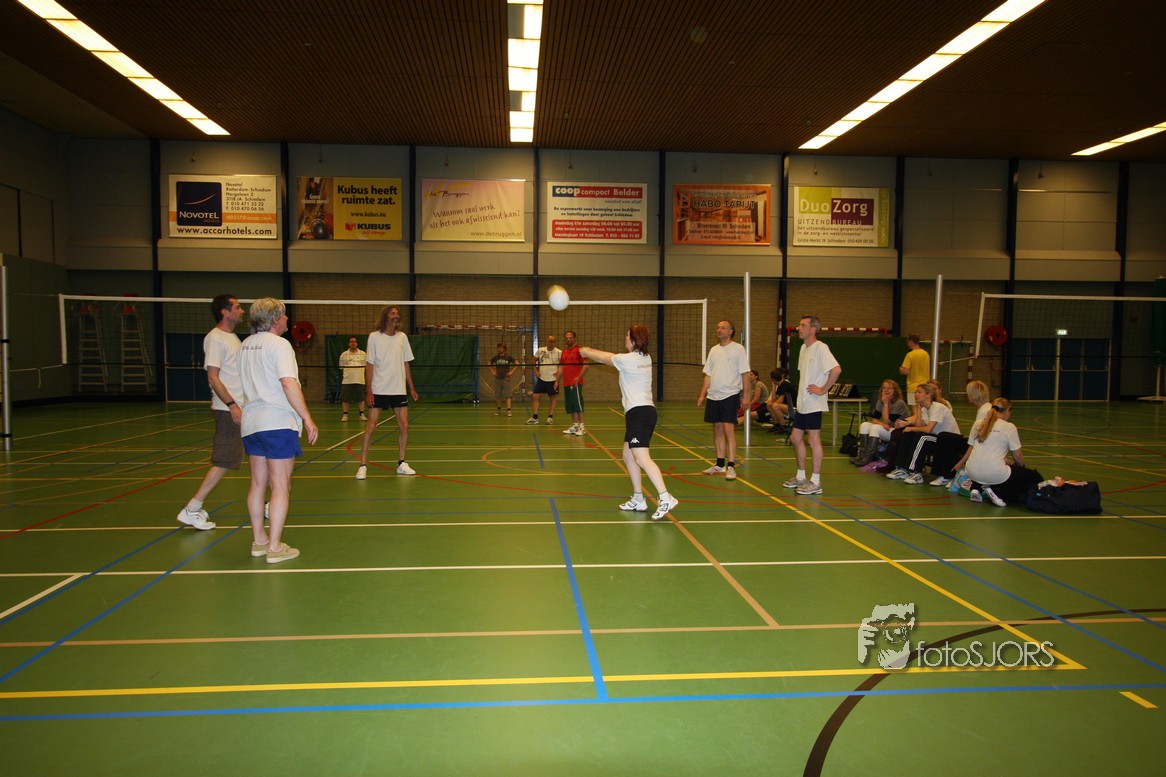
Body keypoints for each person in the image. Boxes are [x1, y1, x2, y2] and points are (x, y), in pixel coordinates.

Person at [237, 298, 318, 563]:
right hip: (277, 422)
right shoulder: (280, 345)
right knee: (281, 485)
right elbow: (288, 383)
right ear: (274, 319)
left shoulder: (245, 345)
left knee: (257, 483)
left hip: (252, 423)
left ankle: (259, 541)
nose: (287, 320)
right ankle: (274, 547)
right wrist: (307, 418)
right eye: (283, 316)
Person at [579, 326, 679, 521]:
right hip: (641, 412)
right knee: (628, 455)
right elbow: (610, 357)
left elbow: (604, 358)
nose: (625, 338)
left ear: (634, 340)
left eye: (627, 336)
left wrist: (586, 351)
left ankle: (666, 497)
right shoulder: (645, 358)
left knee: (642, 458)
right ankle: (638, 498)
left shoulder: (628, 360)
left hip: (640, 413)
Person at [176, 294, 245, 531]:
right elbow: (213, 377)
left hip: (241, 408)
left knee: (260, 453)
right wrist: (232, 404)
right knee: (224, 461)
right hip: (229, 410)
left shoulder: (232, 337)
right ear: (225, 312)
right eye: (237, 307)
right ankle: (192, 508)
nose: (242, 311)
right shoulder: (215, 338)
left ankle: (266, 503)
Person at [356, 305, 420, 479]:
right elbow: (369, 365)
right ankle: (363, 465)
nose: (396, 315)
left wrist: (411, 387)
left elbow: (406, 363)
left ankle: (401, 463)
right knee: (371, 426)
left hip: (398, 388)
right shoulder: (374, 337)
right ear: (385, 316)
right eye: (392, 313)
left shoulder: (402, 337)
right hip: (379, 388)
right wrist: (369, 390)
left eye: (397, 313)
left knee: (404, 426)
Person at [783, 316, 842, 495]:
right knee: (795, 438)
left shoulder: (821, 348)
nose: (798, 328)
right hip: (803, 403)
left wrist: (823, 389)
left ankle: (816, 482)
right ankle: (801, 476)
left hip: (814, 403)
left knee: (813, 439)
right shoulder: (803, 348)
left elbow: (836, 370)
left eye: (803, 325)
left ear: (813, 329)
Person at [951, 397, 1043, 506]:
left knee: (988, 469)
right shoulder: (1009, 427)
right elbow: (1018, 456)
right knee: (1033, 477)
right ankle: (996, 492)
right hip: (993, 472)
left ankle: (976, 489)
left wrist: (961, 462)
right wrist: (1021, 468)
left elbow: (971, 448)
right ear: (1007, 410)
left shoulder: (978, 423)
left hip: (972, 472)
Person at [697, 320, 750, 480]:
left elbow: (745, 374)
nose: (719, 330)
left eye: (723, 328)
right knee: (717, 429)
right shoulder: (714, 350)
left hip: (730, 394)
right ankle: (720, 464)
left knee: (728, 429)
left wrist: (746, 396)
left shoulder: (738, 349)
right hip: (714, 395)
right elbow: (708, 374)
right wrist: (702, 394)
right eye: (718, 327)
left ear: (731, 331)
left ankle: (731, 466)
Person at [884, 383, 960, 484]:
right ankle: (902, 469)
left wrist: (911, 428)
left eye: (919, 392)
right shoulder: (925, 409)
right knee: (909, 434)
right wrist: (919, 410)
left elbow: (928, 429)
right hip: (937, 438)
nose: (916, 394)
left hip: (950, 442)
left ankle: (916, 472)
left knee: (921, 436)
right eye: (916, 392)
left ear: (928, 395)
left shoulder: (937, 407)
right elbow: (919, 426)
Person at [928, 379, 991, 486]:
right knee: (947, 437)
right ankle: (948, 473)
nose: (967, 395)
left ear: (974, 395)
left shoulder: (984, 410)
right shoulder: (984, 408)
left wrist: (961, 462)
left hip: (981, 448)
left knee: (944, 437)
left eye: (968, 393)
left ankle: (947, 475)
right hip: (978, 443)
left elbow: (979, 441)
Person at [851, 379, 908, 466]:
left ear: (895, 390)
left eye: (889, 388)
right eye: (884, 388)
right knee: (864, 425)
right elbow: (875, 419)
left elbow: (887, 420)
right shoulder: (880, 401)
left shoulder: (899, 403)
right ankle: (862, 454)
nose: (886, 390)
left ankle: (869, 456)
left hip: (898, 432)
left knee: (875, 427)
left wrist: (885, 404)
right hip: (888, 428)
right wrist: (882, 424)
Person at [557, 330, 589, 435]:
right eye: (566, 338)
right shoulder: (564, 352)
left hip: (575, 383)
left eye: (570, 338)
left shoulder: (579, 350)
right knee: (571, 405)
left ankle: (582, 427)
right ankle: (575, 426)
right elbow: (561, 367)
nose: (568, 340)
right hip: (566, 383)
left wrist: (578, 377)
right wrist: (556, 381)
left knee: (578, 404)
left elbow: (586, 365)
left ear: (574, 338)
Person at [526, 334, 561, 425]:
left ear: (555, 342)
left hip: (553, 379)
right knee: (535, 396)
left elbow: (563, 365)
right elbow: (533, 360)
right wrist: (536, 371)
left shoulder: (559, 352)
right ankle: (535, 418)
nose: (551, 343)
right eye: (550, 341)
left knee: (553, 398)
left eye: (553, 341)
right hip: (542, 378)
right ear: (547, 341)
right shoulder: (541, 350)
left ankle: (550, 417)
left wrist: (558, 373)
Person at [338, 336, 368, 422]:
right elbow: (341, 368)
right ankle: (345, 415)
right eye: (351, 342)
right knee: (345, 398)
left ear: (357, 343)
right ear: (348, 343)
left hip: (360, 380)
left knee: (361, 398)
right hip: (347, 381)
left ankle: (361, 414)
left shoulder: (363, 354)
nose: (353, 343)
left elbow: (366, 367)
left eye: (354, 341)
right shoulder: (344, 355)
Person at [900, 334, 930, 406]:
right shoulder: (926, 354)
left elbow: (905, 371)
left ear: (911, 342)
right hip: (925, 387)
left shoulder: (910, 355)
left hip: (913, 387)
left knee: (915, 410)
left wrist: (901, 369)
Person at [489, 342, 518, 416]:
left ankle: (509, 411)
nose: (499, 349)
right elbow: (489, 364)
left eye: (500, 348)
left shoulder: (508, 357)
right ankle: (498, 410)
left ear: (504, 349)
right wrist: (492, 371)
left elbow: (517, 364)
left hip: (506, 378)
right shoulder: (496, 357)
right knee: (498, 395)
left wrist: (512, 372)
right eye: (498, 348)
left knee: (508, 395)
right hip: (498, 378)